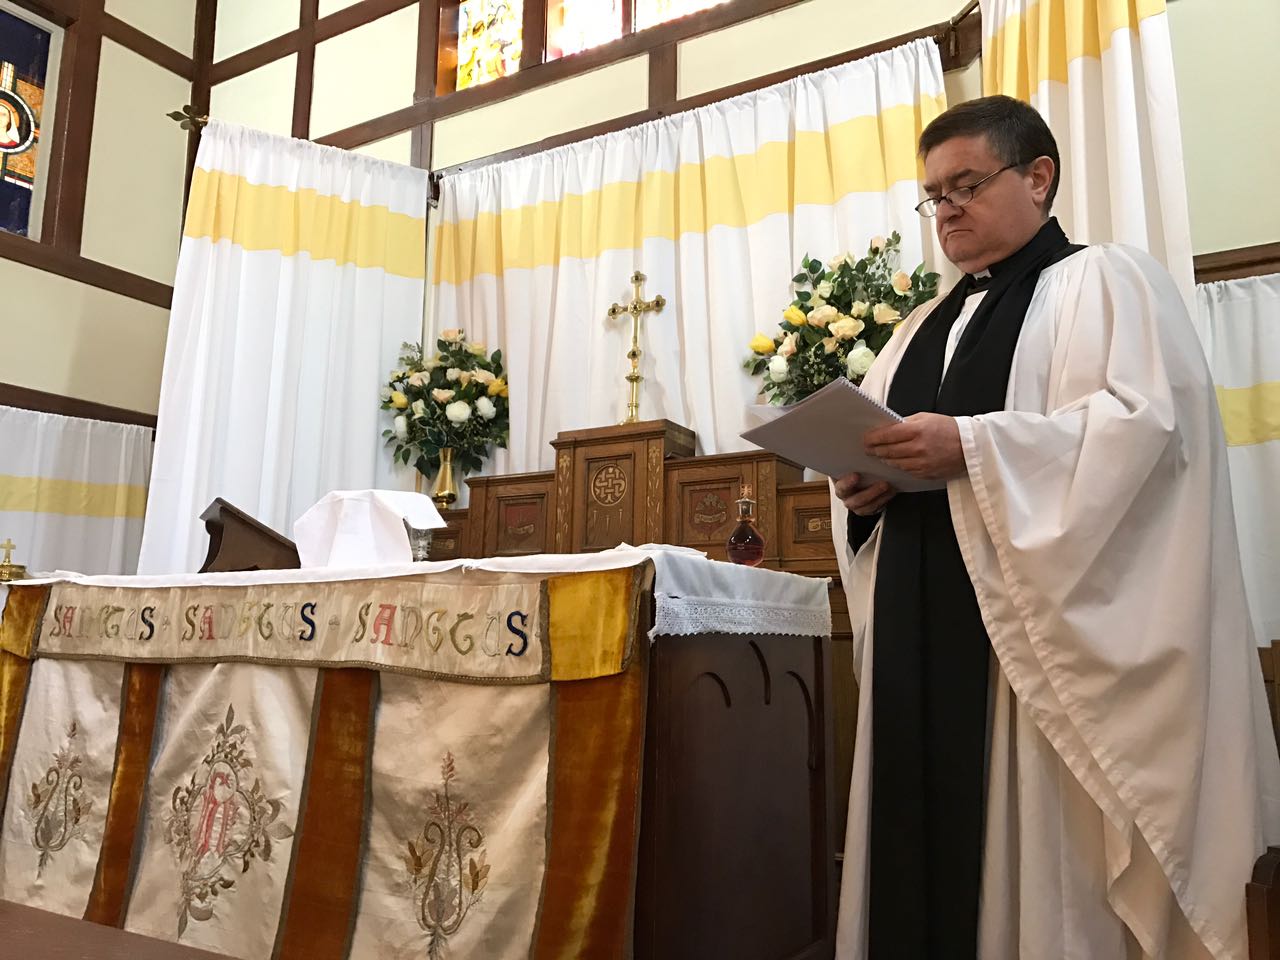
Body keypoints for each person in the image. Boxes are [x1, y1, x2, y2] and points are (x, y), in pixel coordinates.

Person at [829, 95, 1280, 959]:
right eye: (934, 195)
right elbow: (874, 446)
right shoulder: (914, 331)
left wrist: (973, 446)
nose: (947, 210)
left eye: (966, 185)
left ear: (1039, 177)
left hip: (1027, 643)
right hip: (920, 621)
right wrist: (859, 492)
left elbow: (1149, 434)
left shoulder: (1107, 282)